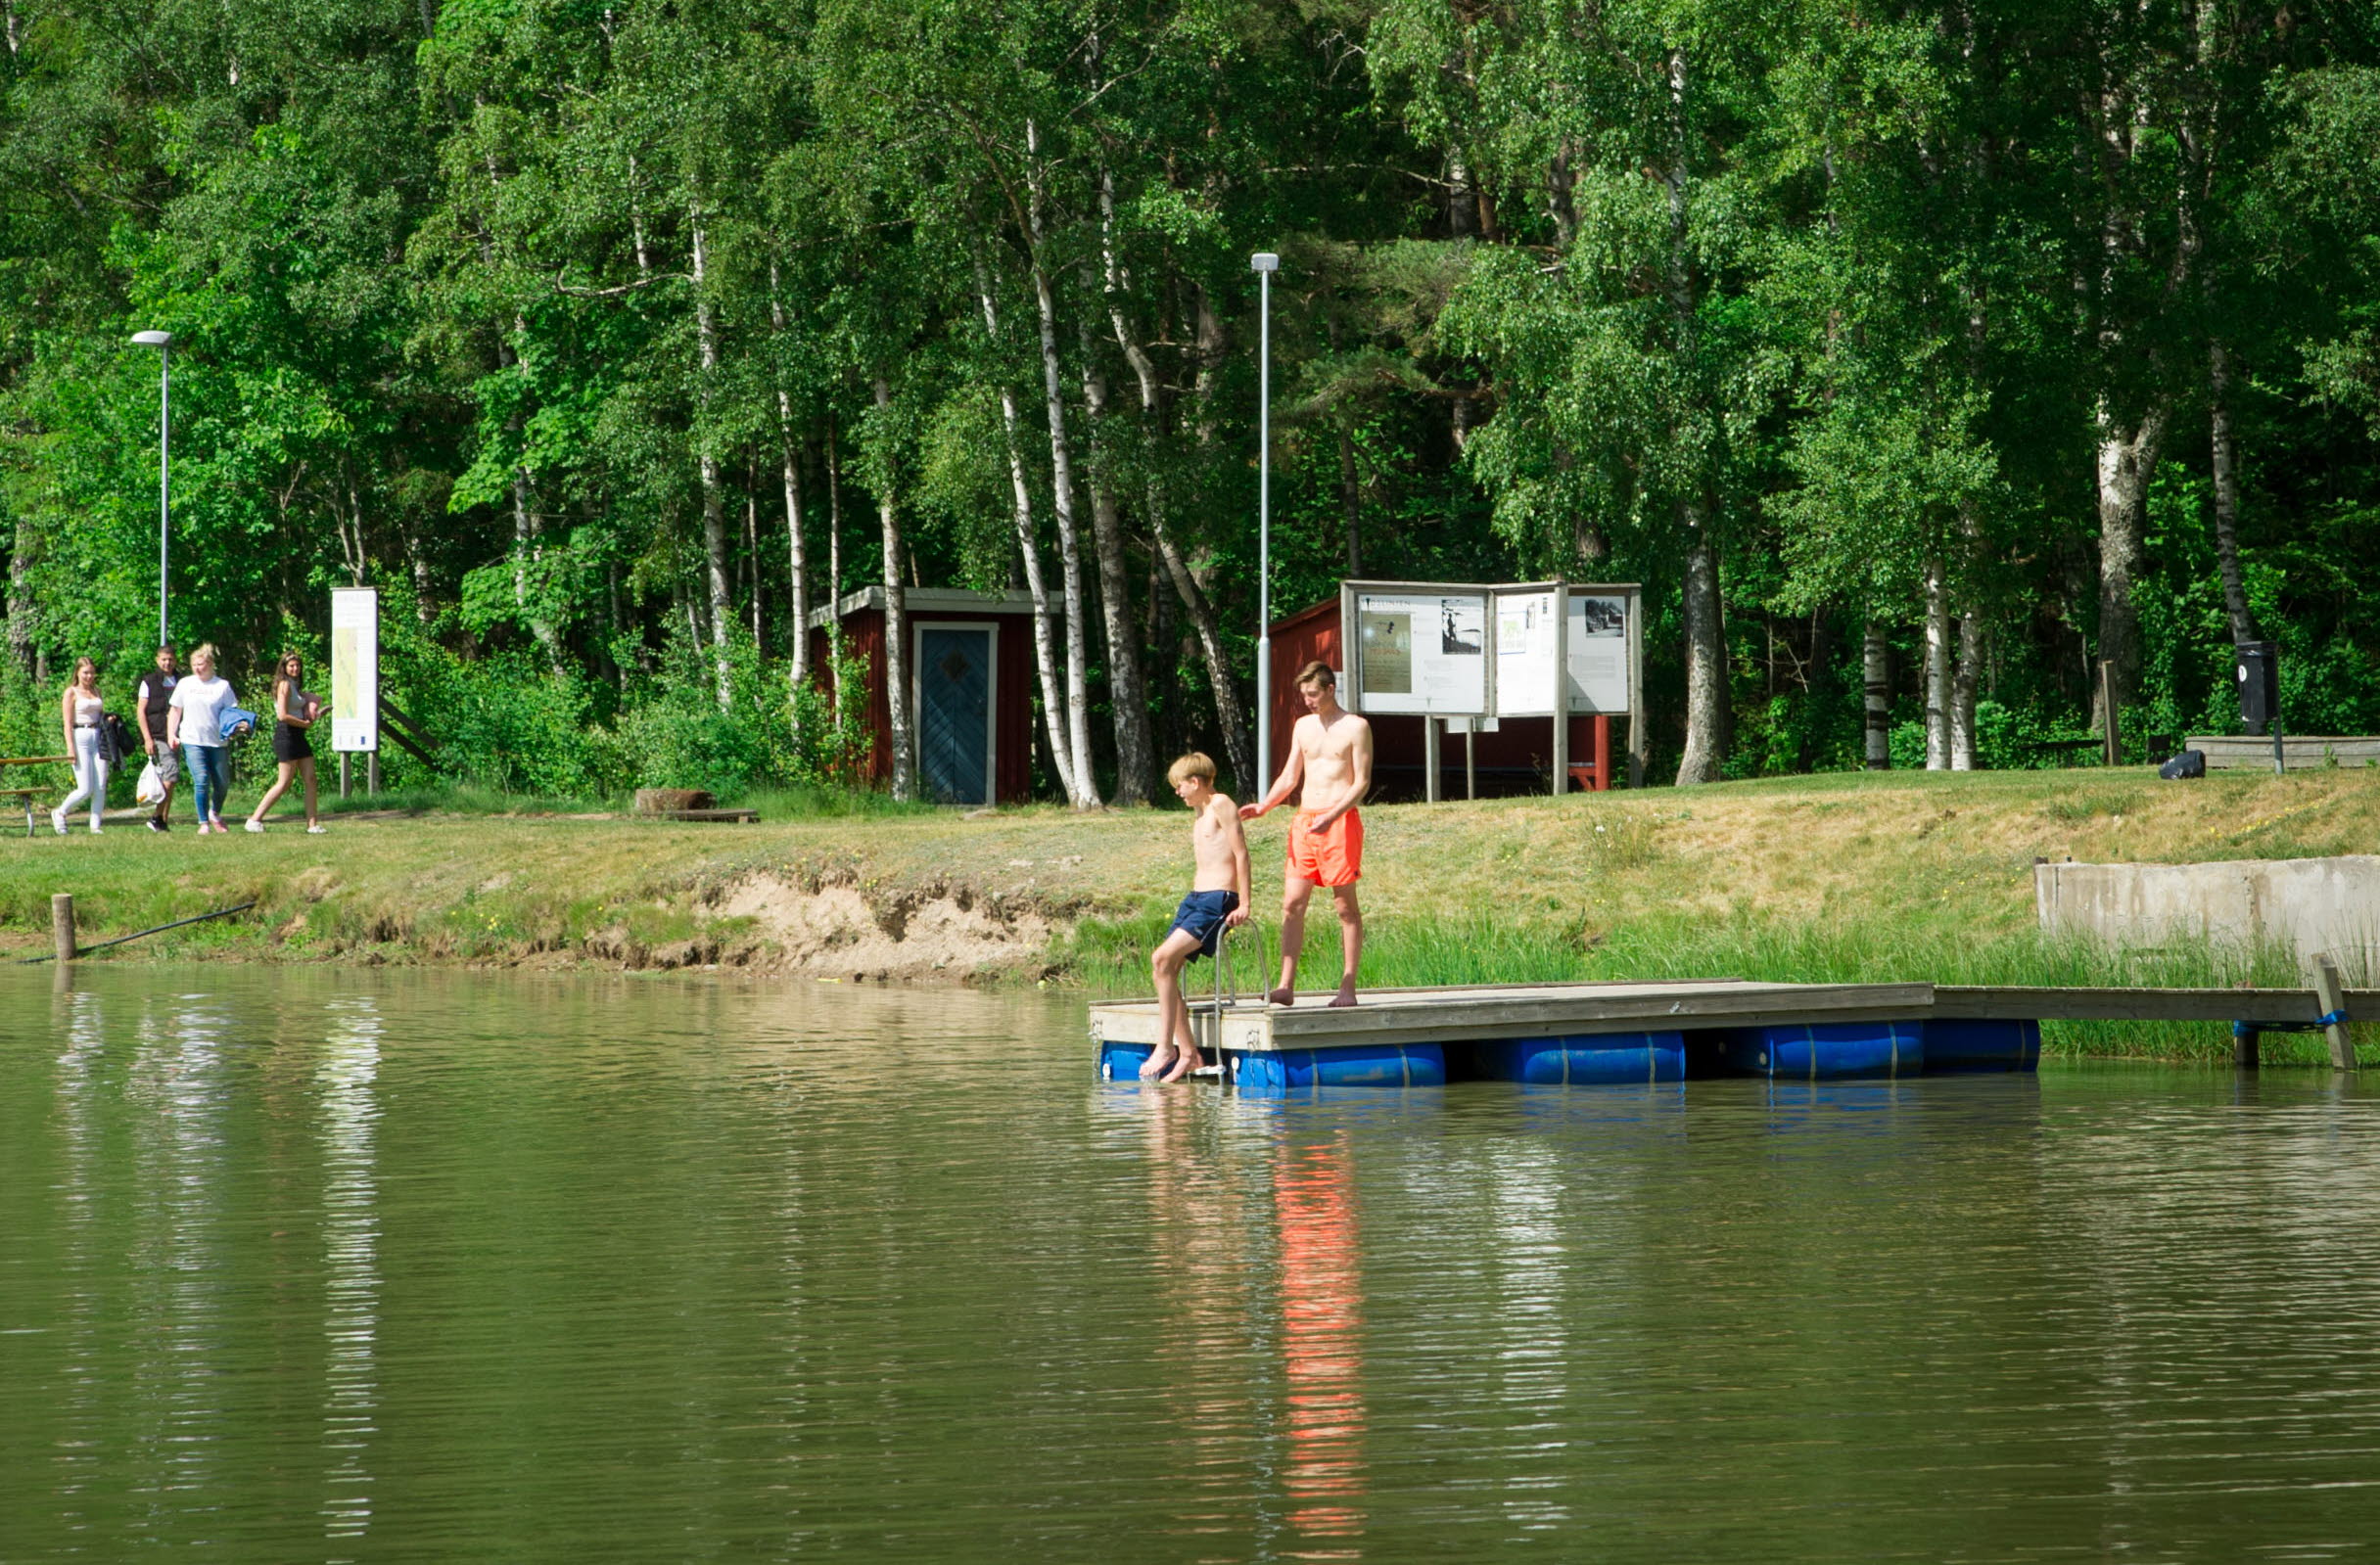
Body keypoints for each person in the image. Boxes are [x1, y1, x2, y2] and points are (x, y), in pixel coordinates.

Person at [1240, 660, 1374, 1007]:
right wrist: (1265, 806)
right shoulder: (1303, 726)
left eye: (1313, 694)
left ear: (1330, 689)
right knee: (1292, 904)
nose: (1308, 701)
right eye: (1304, 695)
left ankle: (1348, 987)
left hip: (1339, 822)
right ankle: (1285, 986)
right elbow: (1290, 776)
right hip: (1305, 823)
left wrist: (1332, 816)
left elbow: (1361, 782)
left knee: (1345, 907)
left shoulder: (1356, 727)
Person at [1143, 752, 1253, 1083]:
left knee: (1161, 958)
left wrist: (1245, 903)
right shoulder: (1200, 813)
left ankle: (1166, 1047)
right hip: (1194, 899)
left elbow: (1241, 854)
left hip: (1218, 899)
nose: (1178, 792)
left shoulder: (1221, 803)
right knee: (1165, 967)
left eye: (1180, 786)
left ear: (1196, 781)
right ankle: (1189, 1054)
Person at [246, 651, 327, 834]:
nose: (295, 669)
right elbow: (282, 715)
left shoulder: (295, 685)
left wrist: (312, 711)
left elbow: (309, 700)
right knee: (284, 783)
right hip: (286, 735)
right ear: (284, 667)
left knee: (311, 779)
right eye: (291, 666)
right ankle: (254, 819)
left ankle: (312, 825)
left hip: (299, 735)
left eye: (297, 665)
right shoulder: (284, 685)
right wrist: (304, 724)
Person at [165, 643, 236, 835]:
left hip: (217, 741)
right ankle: (203, 822)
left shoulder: (222, 686)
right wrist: (171, 734)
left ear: (210, 664)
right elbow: (175, 710)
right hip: (192, 739)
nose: (197, 668)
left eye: (201, 664)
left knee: (222, 783)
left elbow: (231, 712)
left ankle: (215, 813)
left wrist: (238, 726)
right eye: (194, 665)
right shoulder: (185, 684)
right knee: (202, 780)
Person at [52, 657, 110, 835]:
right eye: (85, 673)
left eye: (92, 673)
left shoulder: (97, 691)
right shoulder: (71, 692)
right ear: (77, 673)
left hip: (98, 735)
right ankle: (60, 812)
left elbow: (100, 714)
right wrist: (71, 748)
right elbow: (67, 723)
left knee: (101, 784)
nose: (89, 676)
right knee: (85, 788)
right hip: (80, 736)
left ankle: (95, 825)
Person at [134, 645, 180, 831]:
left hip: (179, 734)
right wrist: (147, 738)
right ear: (157, 660)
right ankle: (156, 817)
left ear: (175, 660)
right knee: (171, 773)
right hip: (159, 734)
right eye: (163, 659)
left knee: (170, 778)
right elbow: (141, 711)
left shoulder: (182, 680)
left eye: (170, 659)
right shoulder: (149, 681)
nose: (167, 663)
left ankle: (162, 820)